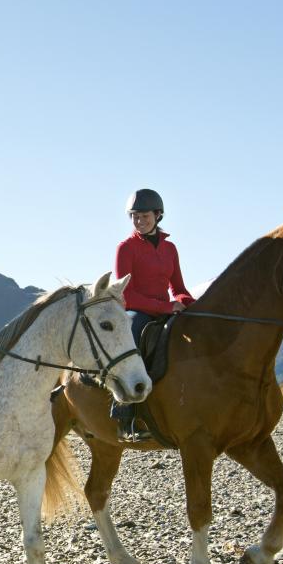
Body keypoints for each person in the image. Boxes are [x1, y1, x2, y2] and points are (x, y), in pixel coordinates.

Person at [111, 188, 195, 441]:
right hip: (136, 312)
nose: (139, 221)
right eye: (134, 216)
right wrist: (167, 307)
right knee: (133, 340)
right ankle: (124, 414)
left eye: (144, 216)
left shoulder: (170, 248)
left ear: (158, 215)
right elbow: (125, 295)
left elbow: (178, 289)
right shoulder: (125, 248)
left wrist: (192, 305)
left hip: (165, 311)